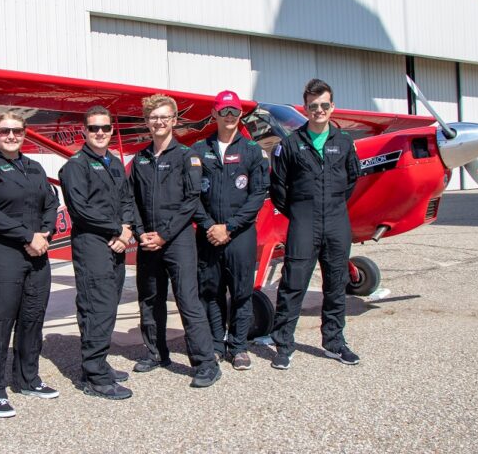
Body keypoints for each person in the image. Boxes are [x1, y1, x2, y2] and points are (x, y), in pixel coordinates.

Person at [0, 112, 60, 418]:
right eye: (5, 130)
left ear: (25, 133)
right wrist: (27, 236)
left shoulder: (34, 168)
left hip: (38, 254)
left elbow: (50, 202)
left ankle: (28, 379)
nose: (11, 135)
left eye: (17, 131)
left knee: (32, 319)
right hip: (3, 256)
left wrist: (45, 233)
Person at [129, 94, 221, 388]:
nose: (159, 122)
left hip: (177, 240)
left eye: (164, 117)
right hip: (148, 241)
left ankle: (206, 363)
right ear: (146, 122)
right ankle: (157, 354)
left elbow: (191, 200)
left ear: (174, 120)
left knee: (187, 300)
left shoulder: (186, 157)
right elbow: (132, 201)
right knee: (149, 299)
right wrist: (141, 233)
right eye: (153, 117)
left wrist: (164, 234)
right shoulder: (140, 159)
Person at [269, 78, 361, 370]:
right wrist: (300, 211)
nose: (318, 110)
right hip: (303, 221)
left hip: (336, 220)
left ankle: (334, 342)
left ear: (332, 107)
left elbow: (351, 180)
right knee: (293, 283)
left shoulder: (345, 142)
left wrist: (331, 204)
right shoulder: (291, 143)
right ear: (305, 108)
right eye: (312, 106)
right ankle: (283, 344)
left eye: (324, 105)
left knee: (335, 283)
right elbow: (278, 188)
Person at [59, 106, 134, 400]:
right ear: (84, 132)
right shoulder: (75, 166)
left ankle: (98, 363)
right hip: (92, 244)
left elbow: (127, 199)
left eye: (104, 128)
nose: (99, 133)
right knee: (96, 306)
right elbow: (81, 211)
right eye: (93, 128)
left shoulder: (114, 163)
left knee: (110, 304)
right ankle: (95, 377)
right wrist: (117, 229)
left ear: (112, 131)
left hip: (116, 243)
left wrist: (126, 230)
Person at [192, 90, 269, 370]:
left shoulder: (252, 151)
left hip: (240, 235)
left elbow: (258, 195)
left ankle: (238, 347)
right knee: (211, 290)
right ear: (214, 114)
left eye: (234, 111)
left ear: (240, 115)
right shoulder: (199, 151)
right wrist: (210, 225)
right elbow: (192, 196)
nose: (229, 116)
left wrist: (231, 227)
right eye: (223, 111)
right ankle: (215, 344)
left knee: (241, 291)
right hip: (209, 235)